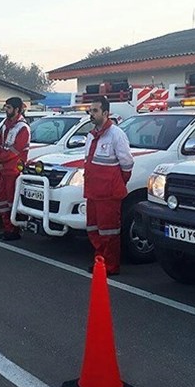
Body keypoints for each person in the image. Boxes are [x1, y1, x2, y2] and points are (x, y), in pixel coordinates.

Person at [84, 97, 134, 276]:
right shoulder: (91, 135)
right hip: (93, 192)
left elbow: (127, 163)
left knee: (109, 231)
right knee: (93, 229)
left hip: (108, 194)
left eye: (95, 111)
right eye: (90, 111)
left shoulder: (116, 134)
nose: (91, 114)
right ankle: (100, 262)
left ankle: (110, 266)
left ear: (105, 113)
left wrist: (117, 182)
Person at [0, 97, 30, 241]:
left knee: (11, 200)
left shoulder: (23, 128)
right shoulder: (5, 125)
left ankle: (15, 230)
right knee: (2, 200)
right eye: (6, 107)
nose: (6, 110)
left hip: (13, 169)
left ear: (17, 109)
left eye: (8, 107)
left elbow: (15, 150)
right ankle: (7, 228)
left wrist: (0, 159)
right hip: (3, 169)